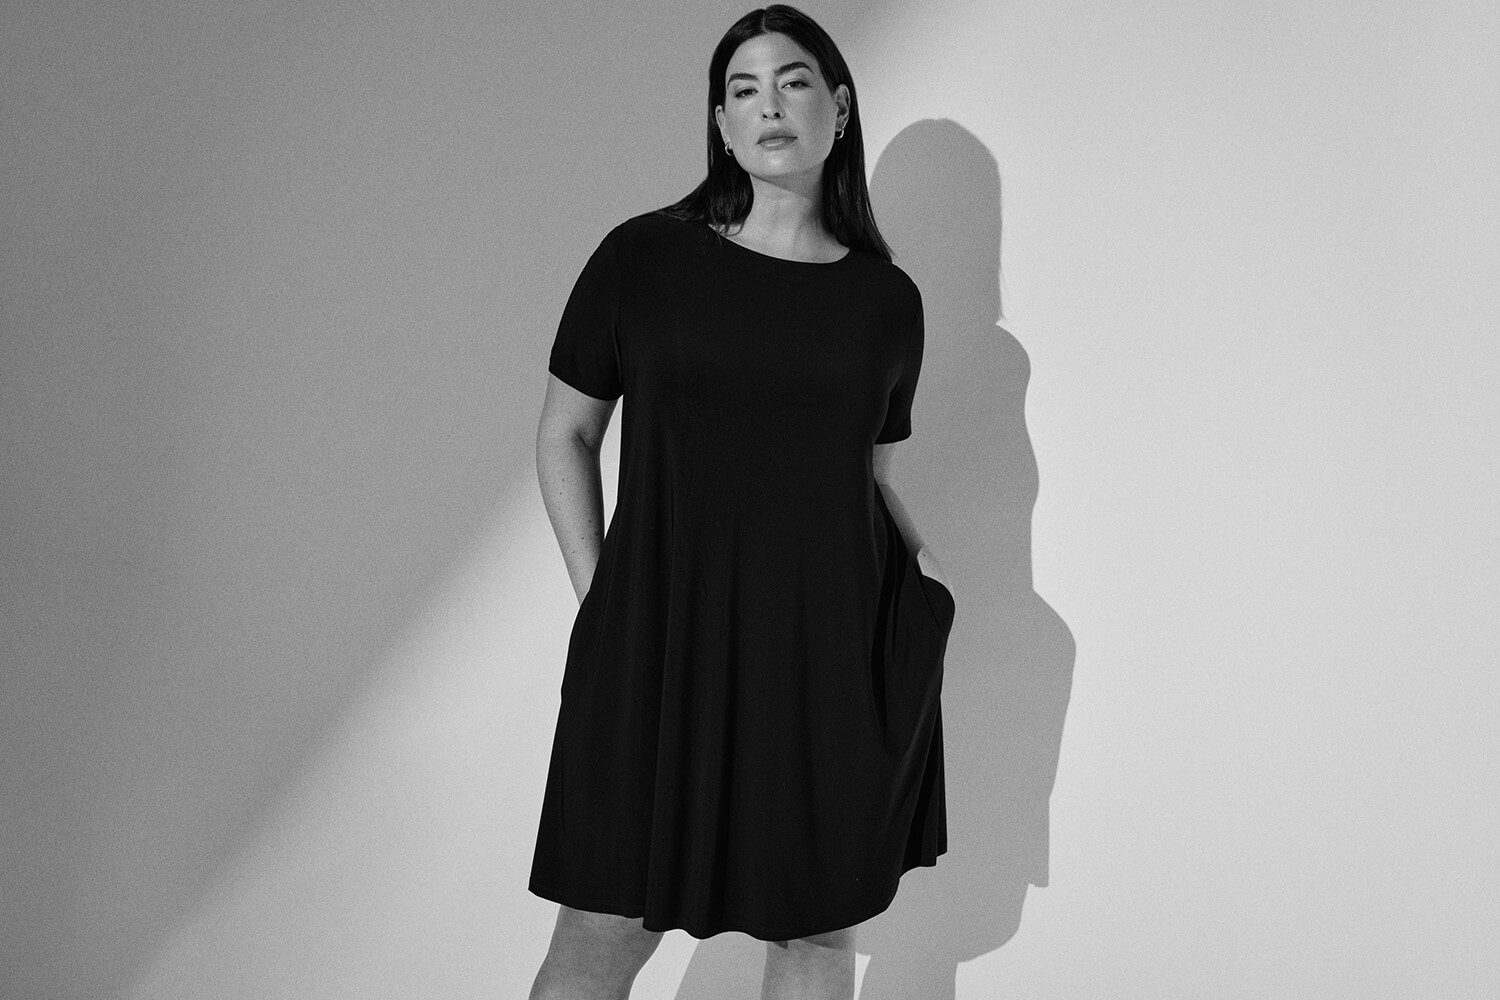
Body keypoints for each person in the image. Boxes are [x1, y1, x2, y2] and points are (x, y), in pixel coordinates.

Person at [529, 6, 955, 998]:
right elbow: (566, 435)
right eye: (743, 89)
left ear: (838, 109)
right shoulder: (643, 259)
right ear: (720, 123)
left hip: (827, 660)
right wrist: (606, 603)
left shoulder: (886, 303)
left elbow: (867, 479)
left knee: (813, 940)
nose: (770, 106)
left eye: (794, 82)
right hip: (659, 650)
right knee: (601, 932)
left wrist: (931, 581)